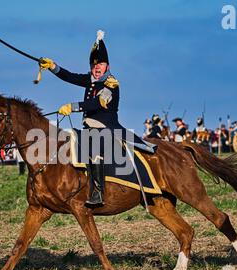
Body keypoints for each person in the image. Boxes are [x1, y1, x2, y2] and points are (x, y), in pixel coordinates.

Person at [39, 30, 155, 206]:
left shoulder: (111, 83)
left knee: (92, 148)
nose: (97, 68)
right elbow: (70, 76)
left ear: (107, 66)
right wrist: (53, 67)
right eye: (94, 66)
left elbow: (98, 103)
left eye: (100, 64)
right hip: (90, 127)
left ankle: (99, 193)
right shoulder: (91, 80)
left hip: (107, 129)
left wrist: (73, 106)